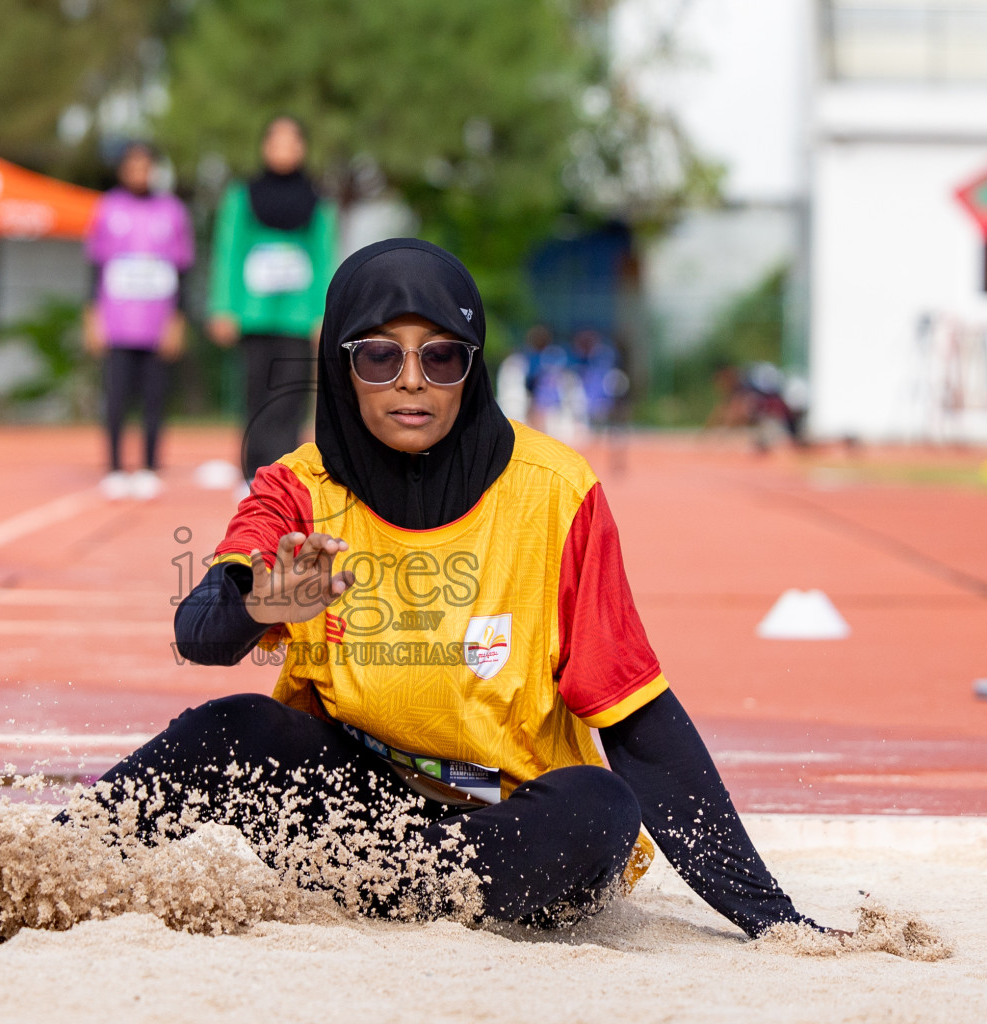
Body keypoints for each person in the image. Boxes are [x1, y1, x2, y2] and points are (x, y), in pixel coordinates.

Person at [90, 238, 833, 934]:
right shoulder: (297, 489)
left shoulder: (557, 492)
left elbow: (638, 717)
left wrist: (770, 915)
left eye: (441, 357)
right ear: (340, 365)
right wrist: (259, 604)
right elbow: (199, 632)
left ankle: (410, 891)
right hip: (351, 818)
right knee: (234, 727)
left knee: (601, 805)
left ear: (472, 367)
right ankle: (47, 865)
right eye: (379, 356)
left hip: (504, 822)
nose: (411, 380)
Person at [207, 116, 336, 490]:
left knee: (290, 399)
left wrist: (323, 315)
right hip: (252, 314)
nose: (284, 149)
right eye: (276, 141)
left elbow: (325, 258)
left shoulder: (318, 202)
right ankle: (251, 472)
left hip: (297, 317)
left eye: (291, 141)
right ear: (265, 147)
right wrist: (222, 307)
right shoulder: (242, 197)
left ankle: (281, 475)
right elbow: (227, 252)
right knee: (253, 394)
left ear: (302, 148)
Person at [84, 141, 193, 501]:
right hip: (117, 322)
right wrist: (93, 315)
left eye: (145, 166)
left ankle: (148, 466)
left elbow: (183, 270)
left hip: (156, 323)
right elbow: (94, 267)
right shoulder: (107, 207)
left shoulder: (173, 211)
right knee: (115, 397)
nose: (139, 173)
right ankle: (115, 468)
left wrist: (177, 319)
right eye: (132, 166)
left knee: (154, 398)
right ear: (122, 170)